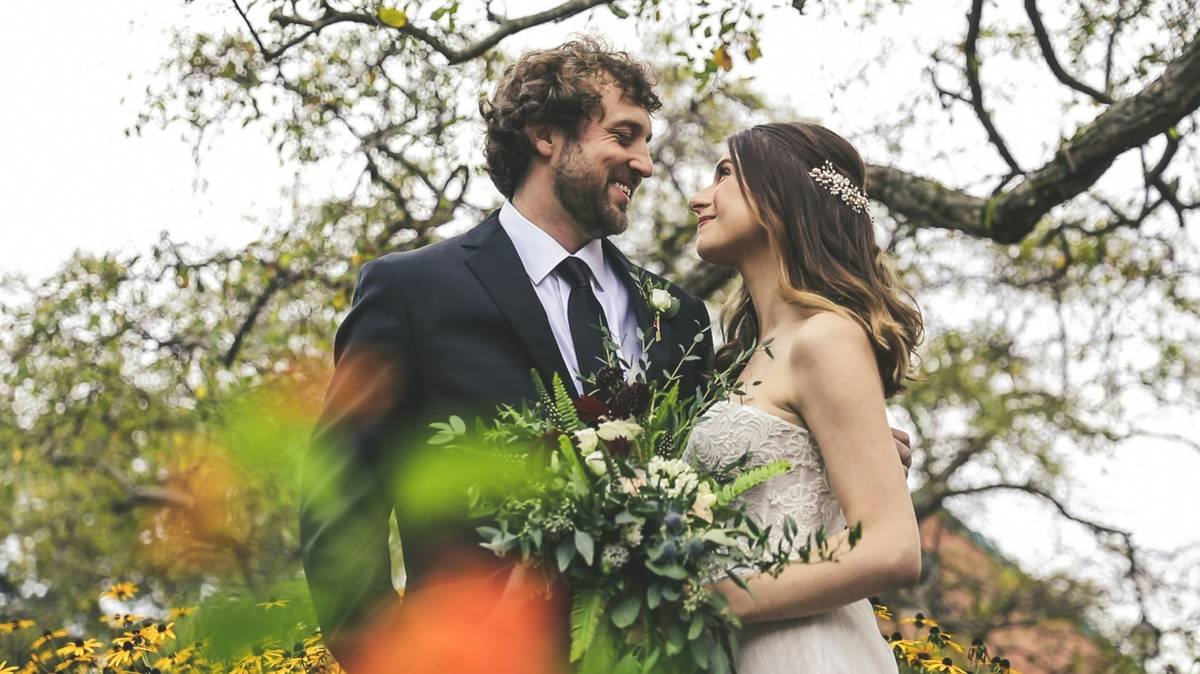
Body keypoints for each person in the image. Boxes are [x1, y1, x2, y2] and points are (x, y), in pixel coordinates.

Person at [299, 38, 713, 664]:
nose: (646, 164)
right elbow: (339, 496)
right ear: (546, 134)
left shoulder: (680, 320)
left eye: (647, 142)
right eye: (625, 136)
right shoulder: (410, 292)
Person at [685, 121, 924, 673]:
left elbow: (891, 547)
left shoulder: (826, 337)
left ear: (778, 195)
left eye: (724, 174)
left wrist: (712, 599)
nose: (699, 197)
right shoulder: (744, 359)